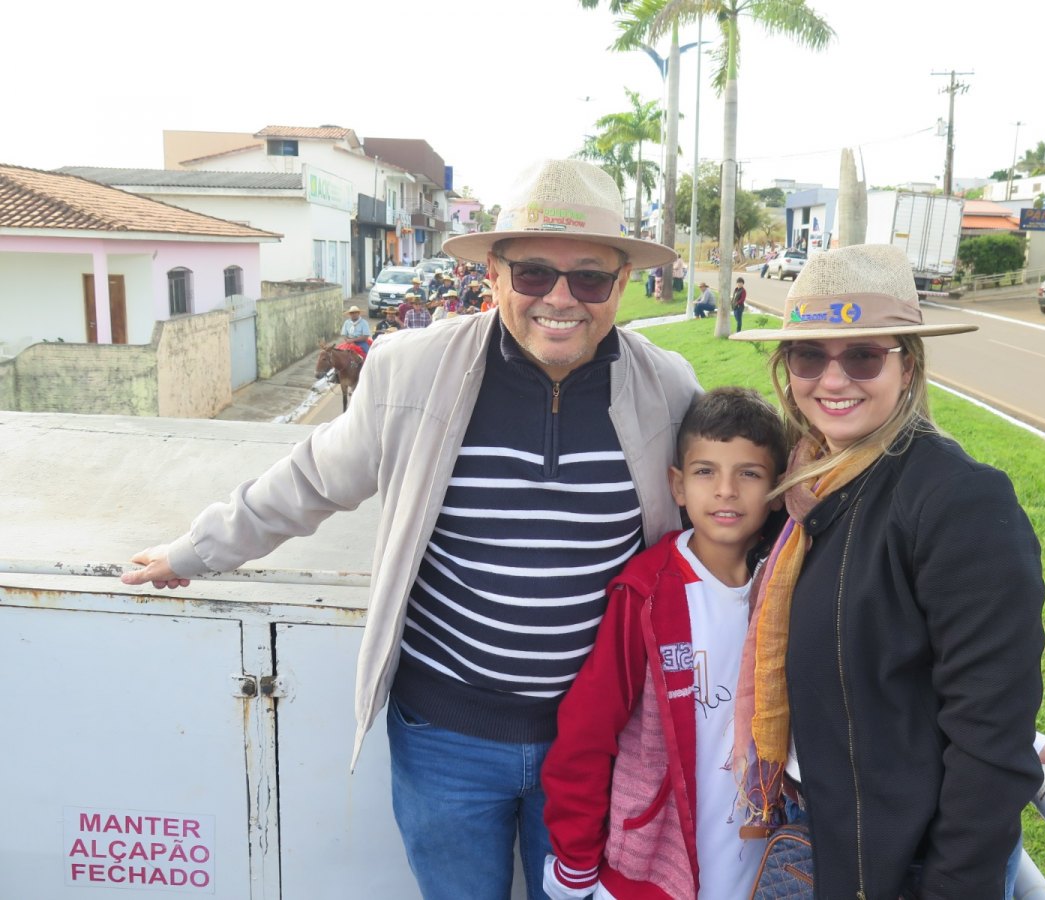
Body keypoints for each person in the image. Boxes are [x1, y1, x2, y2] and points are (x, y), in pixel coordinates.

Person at [118, 157, 701, 900]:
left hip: (596, 742)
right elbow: (309, 482)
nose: (561, 299)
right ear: (493, 274)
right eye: (532, 274)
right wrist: (192, 551)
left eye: (589, 278)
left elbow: (723, 513)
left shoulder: (667, 389)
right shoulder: (415, 370)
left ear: (622, 284)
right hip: (445, 738)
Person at [729, 244, 1045, 899]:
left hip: (898, 861)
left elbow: (988, 735)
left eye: (864, 355)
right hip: (813, 825)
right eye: (809, 355)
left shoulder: (957, 500)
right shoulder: (808, 487)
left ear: (909, 366)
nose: (833, 379)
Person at [541, 387, 788, 900]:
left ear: (777, 487)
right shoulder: (647, 595)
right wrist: (575, 859)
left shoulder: (788, 588)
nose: (725, 490)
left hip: (762, 868)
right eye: (705, 471)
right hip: (652, 871)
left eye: (749, 473)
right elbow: (587, 731)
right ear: (677, 485)